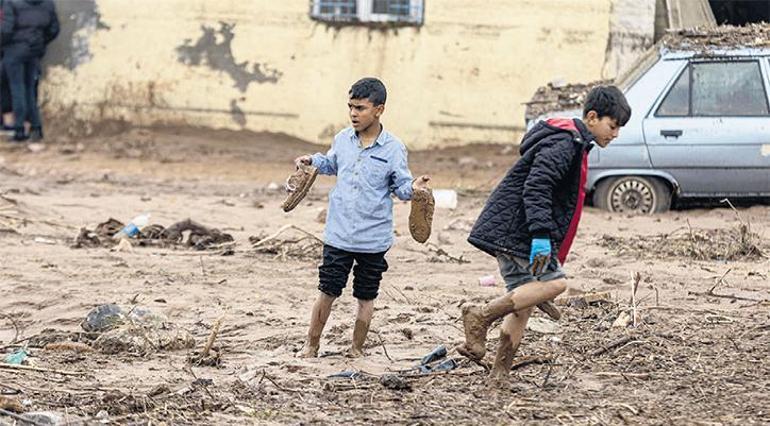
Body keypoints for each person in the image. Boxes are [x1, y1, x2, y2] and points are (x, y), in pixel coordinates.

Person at [457, 85, 631, 385]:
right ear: (592, 117)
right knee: (557, 283)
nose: (615, 134)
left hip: (517, 231)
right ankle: (481, 315)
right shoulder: (565, 144)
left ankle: (499, 376)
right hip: (519, 233)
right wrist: (539, 236)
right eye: (612, 126)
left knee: (522, 308)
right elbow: (537, 187)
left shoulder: (574, 143)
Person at [294, 77, 430, 358]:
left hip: (374, 239)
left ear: (379, 110)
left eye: (361, 108)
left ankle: (356, 349)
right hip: (339, 235)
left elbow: (401, 187)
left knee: (366, 296)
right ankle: (311, 345)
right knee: (327, 290)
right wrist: (313, 161)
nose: (354, 114)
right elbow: (332, 163)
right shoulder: (342, 139)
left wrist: (415, 190)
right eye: (350, 107)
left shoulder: (394, 148)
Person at [1, 0, 59, 142]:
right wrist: (39, 42)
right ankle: (36, 128)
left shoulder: (11, 3)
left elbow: (6, 30)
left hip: (14, 50)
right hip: (34, 51)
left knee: (17, 89)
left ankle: (19, 129)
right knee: (29, 90)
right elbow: (54, 29)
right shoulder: (48, 4)